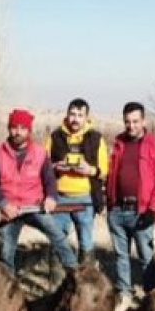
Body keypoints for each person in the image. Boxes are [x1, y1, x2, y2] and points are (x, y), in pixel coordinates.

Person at [0, 108, 78, 273]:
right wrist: (4, 204)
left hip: (35, 207)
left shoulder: (40, 153)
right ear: (9, 128)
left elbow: (50, 179)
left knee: (59, 237)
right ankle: (8, 288)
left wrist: (51, 198)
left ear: (29, 130)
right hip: (10, 210)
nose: (18, 132)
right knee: (6, 251)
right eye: (14, 127)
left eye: (23, 128)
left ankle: (76, 276)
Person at [106, 102, 155, 309]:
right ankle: (124, 294)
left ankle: (151, 297)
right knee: (120, 256)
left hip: (141, 211)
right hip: (117, 210)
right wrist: (109, 202)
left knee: (146, 256)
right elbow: (112, 174)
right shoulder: (118, 143)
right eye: (127, 121)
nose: (131, 126)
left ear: (143, 121)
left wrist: (152, 209)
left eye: (135, 121)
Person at [45, 98, 108, 265]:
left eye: (80, 115)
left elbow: (104, 170)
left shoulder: (96, 138)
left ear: (87, 117)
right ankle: (58, 285)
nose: (75, 119)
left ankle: (85, 285)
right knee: (58, 241)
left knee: (86, 242)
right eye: (72, 114)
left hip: (85, 199)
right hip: (60, 197)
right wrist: (56, 167)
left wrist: (90, 170)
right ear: (67, 115)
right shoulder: (54, 137)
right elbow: (42, 166)